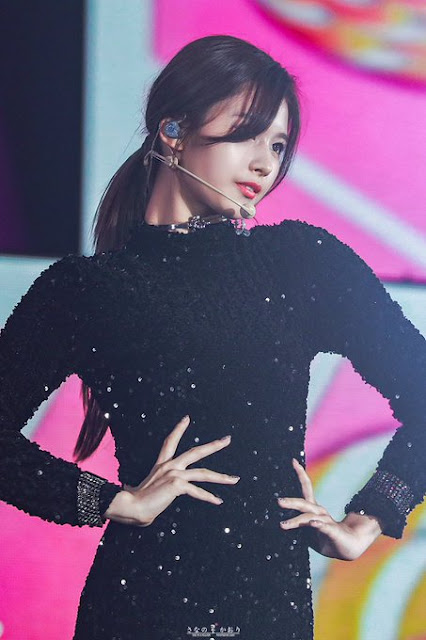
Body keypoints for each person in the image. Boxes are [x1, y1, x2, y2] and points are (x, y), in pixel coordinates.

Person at [0, 34, 424, 640]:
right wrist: (111, 501)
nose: (264, 163)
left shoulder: (301, 263)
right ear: (173, 129)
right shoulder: (85, 290)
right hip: (137, 610)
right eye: (248, 133)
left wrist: (369, 517)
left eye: (277, 144)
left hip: (270, 613)